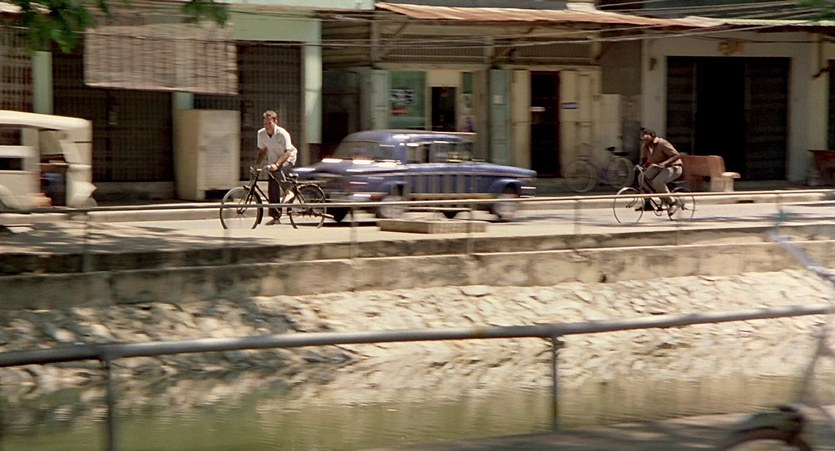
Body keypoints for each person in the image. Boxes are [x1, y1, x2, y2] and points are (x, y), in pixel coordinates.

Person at [254, 110, 298, 225]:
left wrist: (277, 164)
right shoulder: (261, 133)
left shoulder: (283, 134)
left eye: (270, 123)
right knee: (272, 187)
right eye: (265, 123)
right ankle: (276, 217)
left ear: (275, 122)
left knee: (276, 171)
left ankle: (288, 191)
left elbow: (288, 152)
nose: (267, 126)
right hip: (273, 160)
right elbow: (262, 150)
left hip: (288, 158)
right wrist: (257, 164)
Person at [639, 128, 683, 215]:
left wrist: (664, 163)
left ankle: (672, 202)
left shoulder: (662, 143)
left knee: (658, 182)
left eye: (646, 136)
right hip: (657, 167)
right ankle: (647, 203)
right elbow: (644, 160)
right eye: (643, 137)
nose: (644, 138)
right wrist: (640, 166)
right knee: (641, 177)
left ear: (653, 136)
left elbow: (676, 155)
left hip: (673, 167)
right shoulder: (645, 146)